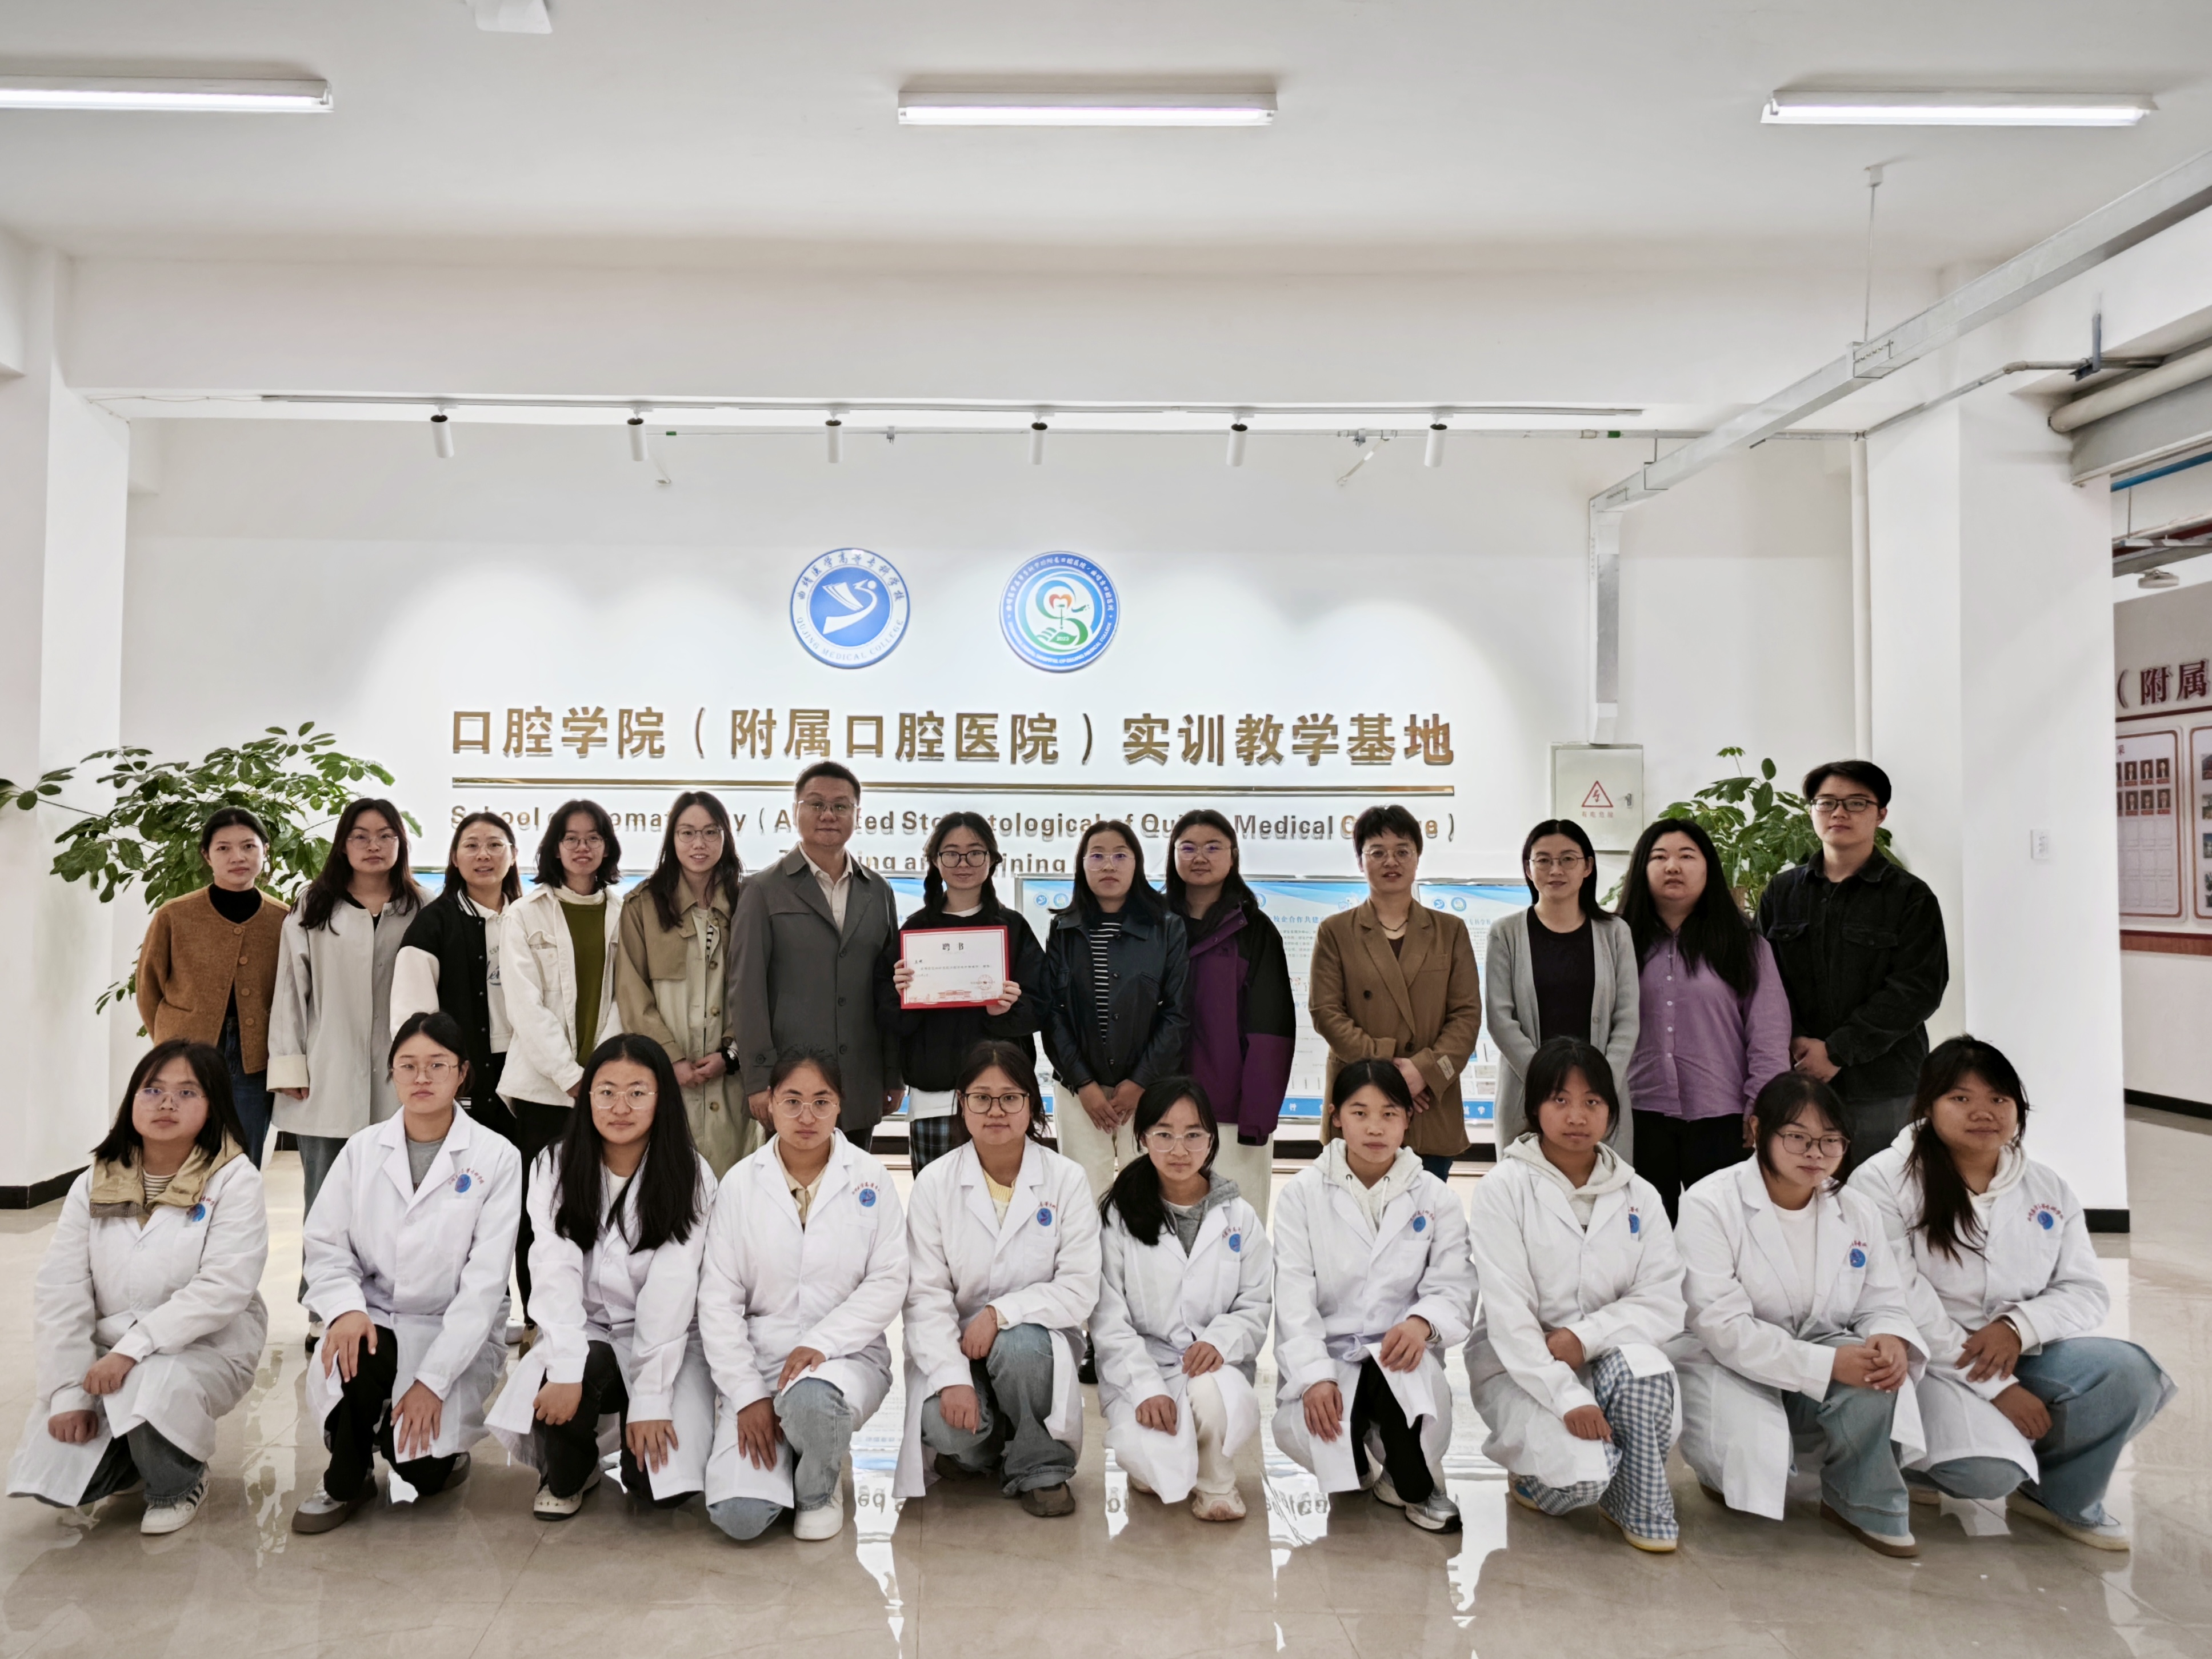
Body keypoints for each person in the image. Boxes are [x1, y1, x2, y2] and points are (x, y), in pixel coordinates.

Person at [1852, 1037, 2174, 1551]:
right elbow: (1898, 1296)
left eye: (1999, 1099)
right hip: (1930, 1363)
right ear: (1927, 1105)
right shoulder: (1881, 1181)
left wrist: (2017, 1327)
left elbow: (2084, 1290)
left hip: (2020, 1350)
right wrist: (1997, 1388)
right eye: (1960, 1098)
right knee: (1985, 1475)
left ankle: (2058, 1494)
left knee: (2128, 1373)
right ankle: (1918, 1466)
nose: (1983, 1112)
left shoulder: (2047, 1186)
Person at [9, 1041, 269, 1535]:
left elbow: (223, 1287)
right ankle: (136, 1455)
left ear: (213, 1105)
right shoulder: (94, 1181)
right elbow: (62, 1289)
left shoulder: (233, 1178)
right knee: (55, 1474)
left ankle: (178, 1481)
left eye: (187, 1092)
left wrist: (133, 1349)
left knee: (150, 1383)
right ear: (132, 1099)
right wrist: (68, 1392)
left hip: (204, 1345)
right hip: (108, 1350)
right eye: (153, 1089)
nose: (166, 1102)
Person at [1670, 1073, 1926, 1557]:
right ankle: (1719, 1470)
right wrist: (1827, 1365)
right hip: (1725, 1361)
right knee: (1749, 1460)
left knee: (1876, 1371)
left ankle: (1862, 1498)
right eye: (1796, 1137)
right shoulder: (1709, 1203)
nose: (1815, 1153)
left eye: (1830, 1140)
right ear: (1756, 1130)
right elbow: (1721, 1326)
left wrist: (1889, 1335)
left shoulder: (1856, 1208)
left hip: (1820, 1345)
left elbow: (1883, 1298)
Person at [292, 1012, 522, 1532]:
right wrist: (345, 1309)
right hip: (374, 1315)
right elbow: (325, 1244)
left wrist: (432, 1382)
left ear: (462, 1073)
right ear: (391, 1072)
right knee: (360, 1349)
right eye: (408, 1065)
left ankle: (421, 1448)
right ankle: (345, 1478)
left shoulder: (496, 1157)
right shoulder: (362, 1149)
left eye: (437, 1065)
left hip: (449, 1325)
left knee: (422, 1473)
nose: (422, 1077)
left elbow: (484, 1285)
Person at [1466, 1037, 1687, 1552]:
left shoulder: (1639, 1194)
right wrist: (1566, 1394)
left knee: (1648, 1374)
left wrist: (1583, 1339)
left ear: (1611, 1110)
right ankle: (1540, 1479)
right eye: (1560, 1099)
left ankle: (1637, 1499)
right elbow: (1508, 1312)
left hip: (1607, 1352)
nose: (1576, 1116)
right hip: (1525, 1366)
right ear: (1534, 1108)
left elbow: (1663, 1300)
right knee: (1584, 1474)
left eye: (1592, 1101)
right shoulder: (1504, 1187)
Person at [485, 1034, 717, 1518]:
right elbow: (553, 1271)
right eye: (606, 1091)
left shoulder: (691, 1173)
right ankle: (574, 1464)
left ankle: (635, 1437)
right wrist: (566, 1369)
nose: (620, 1107)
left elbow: (672, 1290)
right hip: (584, 1330)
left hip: (664, 1339)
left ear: (662, 1098)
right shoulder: (555, 1163)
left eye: (637, 1092)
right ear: (586, 1095)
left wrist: (650, 1399)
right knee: (579, 1372)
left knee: (660, 1490)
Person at [699, 1050, 909, 1542]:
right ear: (770, 1103)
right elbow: (718, 1300)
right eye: (792, 1101)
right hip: (760, 1360)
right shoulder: (739, 1184)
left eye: (821, 1101)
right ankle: (803, 1444)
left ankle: (818, 1485)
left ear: (840, 1105)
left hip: (844, 1358)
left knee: (813, 1400)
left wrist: (823, 1341)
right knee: (740, 1517)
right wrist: (747, 1394)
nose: (806, 1116)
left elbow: (889, 1279)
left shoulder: (871, 1179)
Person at [895, 1041, 1101, 1517]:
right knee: (947, 1429)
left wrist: (999, 1314)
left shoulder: (1066, 1179)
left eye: (1010, 1097)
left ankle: (1040, 1464)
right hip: (958, 1347)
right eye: (981, 1098)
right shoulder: (934, 1183)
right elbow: (925, 1295)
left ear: (1031, 1103)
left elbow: (1079, 1288)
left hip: (1033, 1349)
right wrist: (951, 1378)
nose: (996, 1111)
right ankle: (987, 1446)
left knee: (1020, 1344)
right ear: (961, 1104)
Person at [1270, 1058, 1474, 1533]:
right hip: (1331, 1353)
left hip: (1401, 1352)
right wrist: (1314, 1376)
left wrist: (1421, 1322)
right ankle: (1360, 1459)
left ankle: (1411, 1483)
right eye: (1359, 1113)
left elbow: (1455, 1282)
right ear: (1335, 1116)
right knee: (1331, 1440)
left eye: (1389, 1113)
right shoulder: (1302, 1194)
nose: (1375, 1127)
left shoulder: (1435, 1197)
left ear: (1408, 1118)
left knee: (1400, 1393)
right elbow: (1293, 1296)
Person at [269, 798, 424, 1325]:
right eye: (361, 835)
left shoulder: (420, 906)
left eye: (385, 835)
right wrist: (290, 1063)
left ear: (400, 843)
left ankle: (387, 1302)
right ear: (343, 844)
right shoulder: (314, 905)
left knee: (396, 1196)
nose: (373, 846)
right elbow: (290, 989)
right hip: (325, 1074)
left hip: (400, 1078)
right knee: (325, 1196)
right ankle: (324, 1305)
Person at [1091, 1076, 1271, 1522]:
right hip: (1145, 1364)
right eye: (1164, 1134)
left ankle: (1216, 1484)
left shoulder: (1239, 1216)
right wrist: (1145, 1386)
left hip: (1213, 1363)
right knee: (1149, 1464)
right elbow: (1108, 1316)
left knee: (1211, 1392)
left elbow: (1255, 1303)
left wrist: (1220, 1340)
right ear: (1141, 1137)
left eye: (1193, 1134)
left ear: (1211, 1140)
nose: (1179, 1149)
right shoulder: (1118, 1215)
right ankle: (1160, 1462)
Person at [1758, 761, 1949, 1175]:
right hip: (1797, 1077)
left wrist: (1836, 1051)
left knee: (1882, 1194)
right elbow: (1763, 981)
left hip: (1881, 1086)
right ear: (1811, 811)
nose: (1839, 813)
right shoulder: (1781, 892)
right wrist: (1795, 1040)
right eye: (1826, 802)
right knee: (1800, 1191)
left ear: (1880, 814)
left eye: (1856, 803)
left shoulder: (1910, 896)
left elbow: (1918, 988)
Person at [1619, 817, 1791, 1220]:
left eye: (1686, 856)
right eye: (1659, 857)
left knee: (1725, 1228)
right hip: (1638, 1114)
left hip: (1723, 1117)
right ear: (1642, 869)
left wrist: (1760, 1106)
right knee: (1645, 1231)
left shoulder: (1745, 945)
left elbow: (1768, 1034)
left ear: (1708, 868)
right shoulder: (1618, 941)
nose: (1672, 867)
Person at [729, 762, 903, 1147]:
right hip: (791, 1086)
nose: (828, 815)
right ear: (795, 811)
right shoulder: (763, 889)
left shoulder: (878, 891)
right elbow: (747, 993)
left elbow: (889, 990)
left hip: (860, 1081)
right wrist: (758, 1079)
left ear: (857, 814)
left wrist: (893, 1073)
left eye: (841, 806)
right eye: (816, 804)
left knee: (855, 1181)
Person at [499, 799, 626, 1324]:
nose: (582, 847)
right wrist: (571, 1076)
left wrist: (600, 1075)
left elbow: (624, 999)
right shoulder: (524, 913)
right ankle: (540, 1318)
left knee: (603, 1205)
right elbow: (524, 1005)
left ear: (607, 846)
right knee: (540, 1209)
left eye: (593, 837)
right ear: (554, 847)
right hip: (542, 1089)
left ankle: (594, 1317)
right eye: (571, 838)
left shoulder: (625, 911)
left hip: (608, 1087)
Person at [1308, 805, 1481, 1182]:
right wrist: (1390, 1074)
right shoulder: (1335, 931)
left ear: (1417, 857)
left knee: (1425, 1213)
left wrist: (1424, 1072)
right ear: (1360, 861)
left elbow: (1466, 1016)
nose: (1391, 861)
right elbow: (1326, 1012)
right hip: (1359, 1097)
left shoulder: (1450, 930)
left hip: (1429, 1102)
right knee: (1351, 1213)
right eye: (1377, 852)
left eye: (1402, 851)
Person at [879, 811, 1047, 1176]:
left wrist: (1006, 1011)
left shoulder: (1013, 928)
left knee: (1006, 1201)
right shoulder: (915, 931)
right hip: (934, 1100)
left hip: (1002, 1098)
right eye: (951, 853)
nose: (963, 863)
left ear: (992, 859)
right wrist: (907, 995)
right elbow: (889, 1015)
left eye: (975, 852)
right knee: (937, 1206)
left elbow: (1041, 1006)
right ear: (936, 860)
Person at [1041, 820, 1192, 1199]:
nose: (1109, 865)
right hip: (1079, 1091)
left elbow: (1177, 1013)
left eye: (1120, 855)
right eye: (1097, 856)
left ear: (1136, 863)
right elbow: (1053, 1012)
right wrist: (1084, 1084)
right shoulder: (1063, 929)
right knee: (1082, 1196)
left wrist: (1140, 1081)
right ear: (1082, 865)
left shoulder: (1167, 927)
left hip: (1148, 1088)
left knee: (1145, 1194)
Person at [136, 807, 289, 1165]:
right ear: (206, 855)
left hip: (255, 1057)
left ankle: (235, 1206)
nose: (238, 857)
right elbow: (149, 989)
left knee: (243, 1154)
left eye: (248, 846)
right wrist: (170, 1044)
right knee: (181, 1150)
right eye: (224, 848)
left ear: (265, 851)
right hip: (186, 1052)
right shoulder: (174, 915)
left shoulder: (284, 918)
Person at [1164, 810, 1294, 1224]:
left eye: (1213, 847)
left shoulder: (1255, 930)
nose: (1200, 857)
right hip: (1161, 1109)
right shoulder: (1153, 923)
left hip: (1231, 1113)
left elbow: (1271, 1029)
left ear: (1233, 855)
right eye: (1188, 847)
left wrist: (1257, 1117)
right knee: (1164, 1230)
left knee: (1237, 1228)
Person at [616, 791, 750, 1177]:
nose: (698, 843)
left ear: (726, 837)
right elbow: (632, 992)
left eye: (711, 832)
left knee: (732, 1183)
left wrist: (731, 1054)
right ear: (671, 839)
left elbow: (760, 989)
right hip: (665, 1076)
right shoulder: (642, 905)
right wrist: (671, 1058)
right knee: (667, 1182)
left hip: (732, 1078)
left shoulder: (748, 901)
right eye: (687, 832)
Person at [1486, 818, 1639, 1156]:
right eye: (1543, 860)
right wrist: (1546, 1083)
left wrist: (1598, 1085)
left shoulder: (1615, 933)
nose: (1556, 870)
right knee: (1527, 1184)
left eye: (1568, 859)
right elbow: (1500, 1019)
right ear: (1528, 869)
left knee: (1602, 1183)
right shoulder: (1506, 933)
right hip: (1527, 1092)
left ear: (1588, 867)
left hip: (1600, 1096)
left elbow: (1627, 1019)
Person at [392, 811, 521, 1119]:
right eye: (472, 846)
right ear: (454, 857)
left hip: (526, 1065)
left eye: (495, 845)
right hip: (463, 1069)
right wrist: (430, 1070)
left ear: (514, 855)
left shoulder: (529, 917)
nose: (483, 855)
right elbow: (413, 1015)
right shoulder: (432, 924)